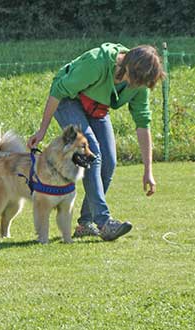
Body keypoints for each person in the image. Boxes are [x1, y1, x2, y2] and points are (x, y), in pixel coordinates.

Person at [27, 43, 166, 241]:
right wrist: (42, 131)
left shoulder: (139, 82)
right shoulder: (97, 63)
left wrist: (148, 171)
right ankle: (103, 222)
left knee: (109, 161)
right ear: (128, 66)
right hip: (68, 101)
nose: (136, 86)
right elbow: (59, 89)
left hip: (97, 108)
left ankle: (85, 223)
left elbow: (143, 123)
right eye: (135, 81)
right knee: (93, 154)